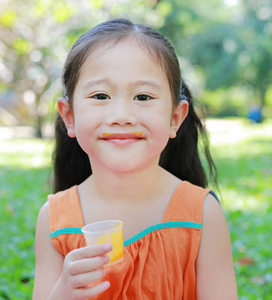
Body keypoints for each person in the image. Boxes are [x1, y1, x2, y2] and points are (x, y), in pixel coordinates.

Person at [33, 18, 238, 299]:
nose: (122, 116)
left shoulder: (201, 215)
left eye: (142, 96)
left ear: (175, 117)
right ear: (69, 116)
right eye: (101, 95)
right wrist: (64, 292)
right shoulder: (55, 219)